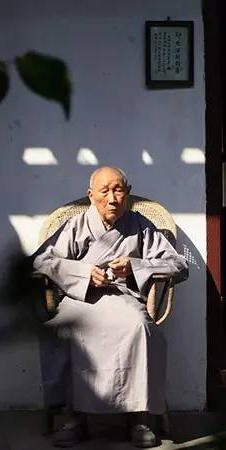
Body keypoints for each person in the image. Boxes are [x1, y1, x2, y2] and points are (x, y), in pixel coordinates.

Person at [33, 167, 188, 447]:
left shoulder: (141, 225)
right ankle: (76, 418)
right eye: (104, 191)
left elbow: (178, 264)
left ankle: (138, 419)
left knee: (139, 328)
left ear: (127, 194)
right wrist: (82, 274)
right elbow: (41, 260)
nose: (112, 198)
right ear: (91, 196)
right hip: (81, 299)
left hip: (124, 297)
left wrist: (136, 265)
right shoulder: (77, 225)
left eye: (118, 190)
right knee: (64, 330)